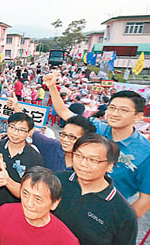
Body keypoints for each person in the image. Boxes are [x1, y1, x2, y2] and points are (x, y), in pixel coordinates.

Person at [44, 72, 150, 218]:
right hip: (72, 200)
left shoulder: (145, 152)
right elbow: (64, 112)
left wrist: (122, 225)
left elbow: (146, 198)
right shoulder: (97, 128)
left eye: (123, 110)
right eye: (112, 108)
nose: (115, 113)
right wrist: (52, 87)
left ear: (138, 116)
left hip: (105, 214)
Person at [53, 133, 137, 245]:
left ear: (110, 166)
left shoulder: (123, 214)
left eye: (93, 160)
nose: (83, 164)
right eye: (79, 156)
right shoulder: (56, 181)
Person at [0, 166, 79, 245]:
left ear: (54, 203)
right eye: (25, 194)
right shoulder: (5, 212)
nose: (28, 203)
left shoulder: (66, 240)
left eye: (38, 199)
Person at [8, 97, 96, 171]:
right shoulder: (53, 147)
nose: (65, 140)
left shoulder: (88, 167)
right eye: (63, 134)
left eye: (72, 137)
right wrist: (16, 107)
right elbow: (29, 128)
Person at [0, 113, 44, 212]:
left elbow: (33, 192)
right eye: (12, 127)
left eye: (21, 130)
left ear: (29, 132)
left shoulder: (35, 158)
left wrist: (8, 181)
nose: (15, 133)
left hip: (18, 211)